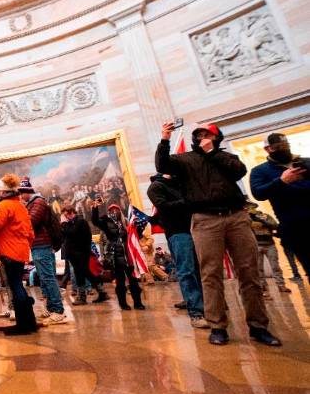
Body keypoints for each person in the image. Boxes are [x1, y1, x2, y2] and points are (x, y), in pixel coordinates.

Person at [157, 122, 280, 347]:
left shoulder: (225, 157)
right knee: (210, 273)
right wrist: (165, 139)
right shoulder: (185, 160)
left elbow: (239, 171)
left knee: (249, 272)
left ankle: (258, 326)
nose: (202, 137)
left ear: (216, 137)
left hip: (236, 217)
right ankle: (217, 325)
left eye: (207, 134)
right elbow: (162, 164)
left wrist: (211, 152)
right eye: (198, 135)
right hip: (205, 220)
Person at [147, 173, 207, 328]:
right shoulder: (156, 187)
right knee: (187, 270)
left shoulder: (182, 182)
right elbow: (165, 207)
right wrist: (188, 202)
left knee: (202, 269)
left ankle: (204, 302)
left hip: (198, 228)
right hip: (178, 232)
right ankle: (196, 312)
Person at [250, 132, 310, 283]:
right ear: (268, 149)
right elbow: (258, 193)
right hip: (296, 227)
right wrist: (282, 181)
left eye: (285, 146)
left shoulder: (306, 163)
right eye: (278, 147)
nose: (283, 149)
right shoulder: (260, 171)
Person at [0, 174, 38, 335]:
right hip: (20, 251)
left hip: (8, 251)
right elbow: (30, 233)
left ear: (4, 191)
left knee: (16, 286)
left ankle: (23, 325)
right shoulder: (20, 205)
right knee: (19, 285)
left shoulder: (5, 205)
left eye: (0, 191)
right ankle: (29, 322)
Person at [19, 176, 67, 324]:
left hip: (42, 244)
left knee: (48, 278)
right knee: (45, 278)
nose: (20, 196)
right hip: (38, 245)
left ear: (28, 191)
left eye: (22, 193)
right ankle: (52, 308)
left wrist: (20, 213)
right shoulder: (33, 203)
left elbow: (31, 221)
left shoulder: (38, 202)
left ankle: (58, 310)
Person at [91, 203, 144, 311]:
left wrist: (139, 227)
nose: (114, 211)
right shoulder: (106, 223)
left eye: (116, 209)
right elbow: (95, 221)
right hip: (115, 256)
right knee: (120, 282)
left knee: (133, 281)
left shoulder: (127, 221)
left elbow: (137, 235)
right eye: (111, 210)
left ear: (120, 210)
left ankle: (138, 303)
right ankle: (123, 304)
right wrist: (95, 208)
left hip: (128, 255)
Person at [61, 205, 108, 305]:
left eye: (66, 215)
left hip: (80, 254)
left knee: (80, 274)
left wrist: (64, 224)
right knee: (86, 273)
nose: (65, 217)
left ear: (71, 212)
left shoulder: (80, 222)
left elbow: (72, 233)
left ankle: (82, 297)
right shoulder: (71, 223)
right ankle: (101, 292)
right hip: (74, 254)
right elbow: (65, 235)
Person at [245, 201, 289, 296]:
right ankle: (262, 287)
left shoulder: (264, 216)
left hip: (269, 244)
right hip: (256, 244)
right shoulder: (245, 218)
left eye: (251, 207)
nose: (250, 208)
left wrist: (262, 222)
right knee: (258, 268)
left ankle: (281, 285)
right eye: (248, 207)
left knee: (275, 266)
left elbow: (274, 225)